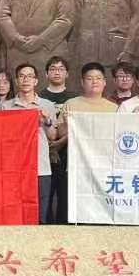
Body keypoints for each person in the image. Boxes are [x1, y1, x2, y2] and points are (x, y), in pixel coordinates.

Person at [56, 62, 118, 223]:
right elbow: (60, 133)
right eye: (89, 78)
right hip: (76, 166)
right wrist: (69, 124)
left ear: (105, 82)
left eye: (98, 78)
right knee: (73, 210)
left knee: (100, 211)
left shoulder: (114, 108)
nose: (94, 81)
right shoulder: (71, 104)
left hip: (104, 167)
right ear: (82, 82)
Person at [1, 63, 58, 224]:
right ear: (17, 81)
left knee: (40, 215)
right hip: (14, 168)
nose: (26, 79)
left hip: (41, 167)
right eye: (22, 76)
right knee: (14, 214)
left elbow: (53, 137)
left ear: (36, 81)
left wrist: (46, 121)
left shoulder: (47, 105)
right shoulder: (6, 106)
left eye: (30, 76)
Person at [40, 56, 77, 226]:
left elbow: (78, 127)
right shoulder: (39, 97)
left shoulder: (74, 98)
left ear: (67, 73)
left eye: (61, 69)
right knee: (44, 199)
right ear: (46, 73)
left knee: (65, 198)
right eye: (53, 69)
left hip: (67, 155)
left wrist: (59, 144)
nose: (57, 72)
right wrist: (50, 148)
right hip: (43, 155)